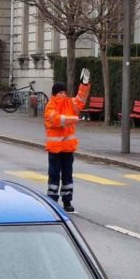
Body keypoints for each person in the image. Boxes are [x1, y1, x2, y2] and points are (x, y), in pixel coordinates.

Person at [44, 68, 91, 212]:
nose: (63, 95)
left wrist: (84, 83)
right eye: (60, 92)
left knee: (67, 177)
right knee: (54, 176)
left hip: (68, 149)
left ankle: (67, 201)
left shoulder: (70, 103)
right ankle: (52, 201)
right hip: (55, 149)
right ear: (54, 94)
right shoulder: (50, 106)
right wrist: (75, 118)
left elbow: (81, 99)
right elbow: (56, 120)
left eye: (64, 92)